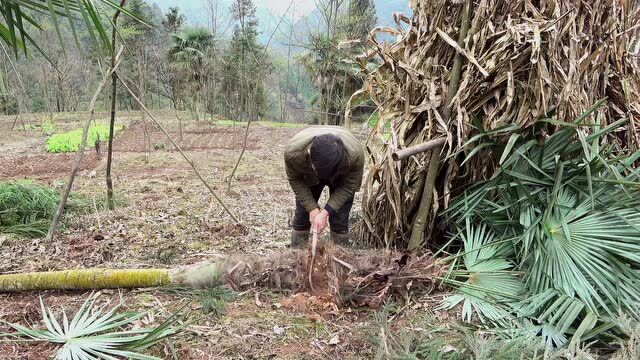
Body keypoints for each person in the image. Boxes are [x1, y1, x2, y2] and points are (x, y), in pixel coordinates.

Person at [284, 126, 364, 248]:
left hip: (341, 175)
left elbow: (348, 186)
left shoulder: (354, 156)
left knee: (339, 219)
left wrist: (325, 212)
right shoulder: (293, 154)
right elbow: (295, 180)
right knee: (302, 215)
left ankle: (339, 256)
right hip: (309, 172)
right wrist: (313, 209)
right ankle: (297, 256)